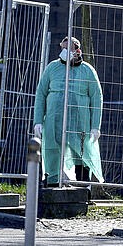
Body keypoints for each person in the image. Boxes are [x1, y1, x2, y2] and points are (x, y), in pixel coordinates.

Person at [33, 36, 104, 186]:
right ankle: (52, 185)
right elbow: (41, 94)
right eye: (63, 48)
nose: (64, 52)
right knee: (52, 151)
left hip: (80, 122)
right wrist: (38, 121)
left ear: (77, 50)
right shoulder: (52, 68)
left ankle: (84, 190)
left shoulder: (88, 71)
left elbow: (96, 98)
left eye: (68, 49)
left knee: (82, 155)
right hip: (54, 120)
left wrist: (95, 126)